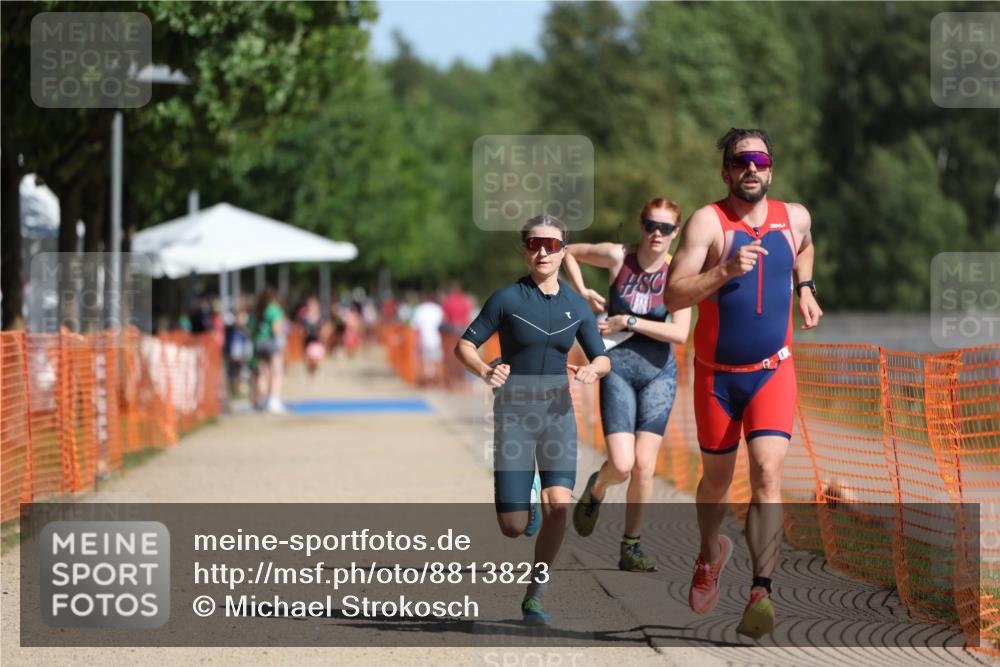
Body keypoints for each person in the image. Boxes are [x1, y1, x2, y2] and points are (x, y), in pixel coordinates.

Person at [663, 128, 823, 639]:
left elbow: (805, 247)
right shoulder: (708, 223)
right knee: (715, 481)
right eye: (740, 161)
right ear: (726, 171)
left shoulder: (794, 217)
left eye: (760, 159)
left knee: (767, 473)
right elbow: (672, 295)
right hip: (716, 378)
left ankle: (761, 590)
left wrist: (805, 287)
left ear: (771, 168)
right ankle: (710, 554)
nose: (751, 168)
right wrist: (724, 271)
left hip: (773, 371)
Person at [455, 214, 610, 626]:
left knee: (560, 505)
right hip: (514, 415)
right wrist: (485, 370)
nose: (543, 251)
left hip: (558, 413)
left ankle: (536, 593)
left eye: (552, 245)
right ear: (524, 250)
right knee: (513, 526)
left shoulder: (576, 306)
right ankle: (528, 496)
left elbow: (602, 357)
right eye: (534, 244)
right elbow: (464, 346)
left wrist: (593, 369)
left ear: (563, 251)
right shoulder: (507, 299)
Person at [563, 198, 692, 572]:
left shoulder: (678, 273)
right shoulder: (619, 257)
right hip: (617, 368)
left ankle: (631, 546)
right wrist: (582, 290)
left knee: (644, 467)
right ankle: (597, 488)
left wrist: (628, 321)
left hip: (658, 373)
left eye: (665, 228)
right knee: (621, 465)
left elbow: (680, 332)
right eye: (651, 225)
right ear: (641, 225)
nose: (657, 234)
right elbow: (569, 251)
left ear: (676, 232)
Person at [249, 288, 288, 414]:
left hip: (258, 343)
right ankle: (274, 400)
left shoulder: (256, 311)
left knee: (263, 373)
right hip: (271, 343)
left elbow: (250, 329)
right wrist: (282, 344)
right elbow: (277, 329)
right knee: (276, 372)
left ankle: (262, 400)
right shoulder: (275, 310)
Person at [411, 291, 445, 386]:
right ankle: (439, 381)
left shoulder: (419, 309)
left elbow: (415, 328)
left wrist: (416, 343)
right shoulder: (438, 309)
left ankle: (424, 382)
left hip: (423, 339)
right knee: (437, 361)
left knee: (423, 361)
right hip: (436, 339)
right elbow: (443, 324)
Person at [297, 296, 327, 376]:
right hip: (308, 343)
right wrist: (305, 332)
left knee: (316, 360)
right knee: (310, 361)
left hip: (318, 343)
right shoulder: (305, 319)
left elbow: (324, 330)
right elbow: (301, 331)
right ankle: (311, 372)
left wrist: (322, 336)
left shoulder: (321, 318)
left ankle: (314, 371)